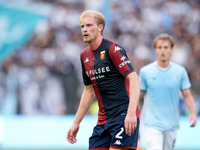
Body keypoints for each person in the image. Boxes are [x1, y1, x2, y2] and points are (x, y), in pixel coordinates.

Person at [66, 10, 140, 150]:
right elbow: (88, 91)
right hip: (103, 121)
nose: (85, 29)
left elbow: (134, 79)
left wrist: (131, 114)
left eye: (89, 25)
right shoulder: (84, 56)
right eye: (82, 26)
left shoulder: (113, 49)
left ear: (100, 27)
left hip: (123, 117)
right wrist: (76, 122)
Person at [138, 33, 197, 150]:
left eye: (166, 47)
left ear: (172, 49)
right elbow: (139, 98)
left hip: (172, 124)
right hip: (151, 124)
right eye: (159, 47)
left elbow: (187, 95)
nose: (163, 51)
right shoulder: (145, 72)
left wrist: (193, 113)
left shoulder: (180, 71)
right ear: (155, 49)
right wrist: (135, 117)